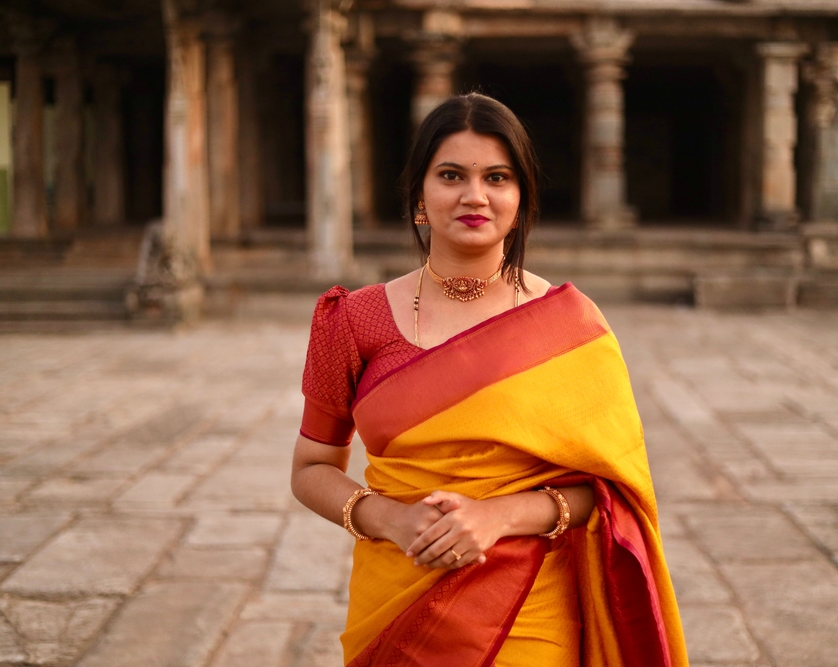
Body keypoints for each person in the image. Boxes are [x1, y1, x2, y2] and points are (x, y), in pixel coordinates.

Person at [290, 92, 687, 667]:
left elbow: (611, 493)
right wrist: (391, 519)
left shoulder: (570, 327)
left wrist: (499, 515)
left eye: (497, 177)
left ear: (520, 199)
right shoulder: (353, 319)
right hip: (396, 599)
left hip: (528, 609)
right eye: (451, 174)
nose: (475, 195)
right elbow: (310, 469)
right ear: (419, 197)